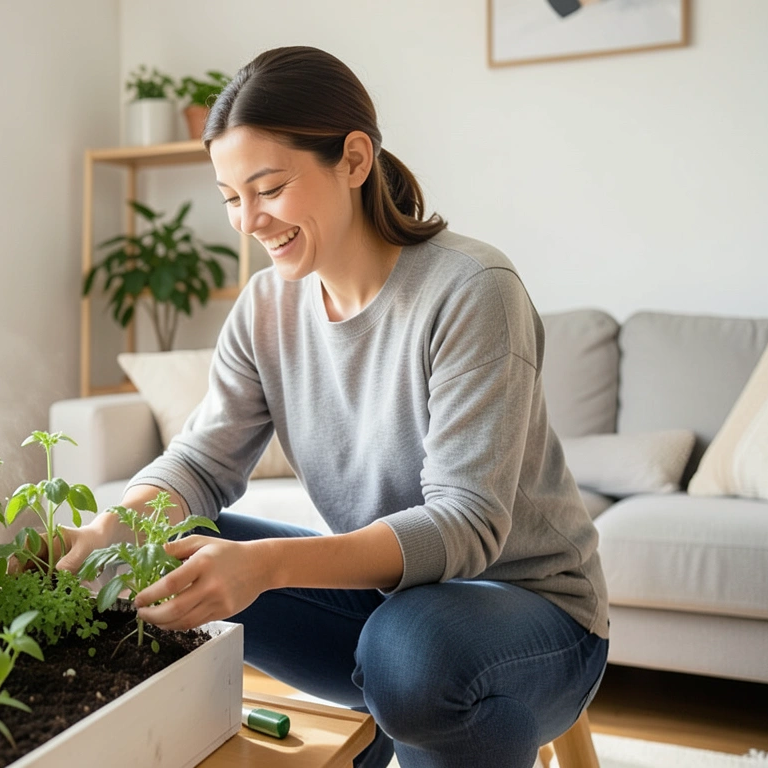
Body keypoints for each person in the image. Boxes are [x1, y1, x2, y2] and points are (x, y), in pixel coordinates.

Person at [55, 46, 610, 768]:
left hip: (534, 614)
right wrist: (115, 527)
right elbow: (200, 462)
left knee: (410, 655)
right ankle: (402, 721)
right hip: (391, 606)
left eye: (269, 188)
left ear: (353, 159)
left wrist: (267, 566)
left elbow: (466, 523)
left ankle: (410, 717)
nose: (248, 221)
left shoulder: (472, 289)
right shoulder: (266, 307)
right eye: (231, 198)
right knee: (169, 545)